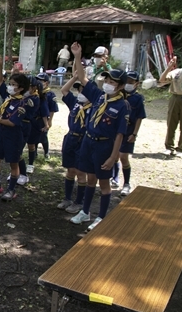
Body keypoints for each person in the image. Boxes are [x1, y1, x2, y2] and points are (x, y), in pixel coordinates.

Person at [69, 42, 129, 231]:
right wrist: (78, 57)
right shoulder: (99, 96)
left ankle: (102, 216)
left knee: (104, 183)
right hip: (89, 141)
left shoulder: (122, 106)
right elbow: (83, 78)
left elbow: (120, 133)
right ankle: (85, 212)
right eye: (106, 81)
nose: (107, 84)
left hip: (105, 146)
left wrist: (113, 157)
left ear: (120, 86)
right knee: (90, 179)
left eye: (112, 82)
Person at [0, 55, 30, 201]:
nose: (10, 86)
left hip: (13, 136)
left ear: (21, 88)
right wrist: (0, 66)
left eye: (13, 84)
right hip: (1, 134)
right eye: (10, 83)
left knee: (13, 163)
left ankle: (11, 190)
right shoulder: (8, 98)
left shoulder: (22, 103)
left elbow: (12, 122)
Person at [57, 75, 91, 214]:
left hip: (83, 140)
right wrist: (75, 77)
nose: (81, 93)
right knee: (70, 170)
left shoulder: (95, 107)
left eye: (84, 91)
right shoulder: (76, 104)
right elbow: (64, 91)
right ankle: (67, 198)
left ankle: (79, 202)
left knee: (80, 172)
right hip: (71, 138)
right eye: (79, 91)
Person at [114, 71, 146, 196]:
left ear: (136, 83)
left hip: (128, 131)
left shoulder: (137, 99)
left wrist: (134, 134)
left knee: (123, 157)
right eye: (126, 81)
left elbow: (139, 117)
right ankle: (115, 178)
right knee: (114, 155)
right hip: (116, 131)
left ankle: (126, 183)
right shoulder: (119, 95)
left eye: (131, 82)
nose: (128, 84)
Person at [35, 73, 59, 160]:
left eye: (41, 80)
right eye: (38, 80)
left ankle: (46, 152)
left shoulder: (50, 94)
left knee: (43, 137)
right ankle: (35, 152)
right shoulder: (35, 92)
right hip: (35, 118)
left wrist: (50, 121)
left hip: (44, 119)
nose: (39, 82)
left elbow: (52, 109)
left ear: (47, 82)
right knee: (34, 137)